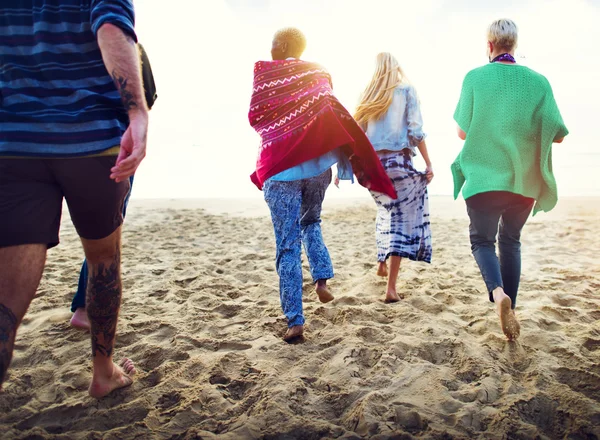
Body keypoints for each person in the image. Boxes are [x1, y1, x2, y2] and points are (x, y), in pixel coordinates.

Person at [0, 0, 148, 398]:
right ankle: (103, 373)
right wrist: (137, 112)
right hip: (91, 138)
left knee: (5, 301)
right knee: (102, 259)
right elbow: (111, 28)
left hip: (14, 140)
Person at [249, 28, 396, 342]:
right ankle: (322, 280)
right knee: (311, 223)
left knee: (287, 246)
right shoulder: (318, 73)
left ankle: (295, 320)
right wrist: (342, 161)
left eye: (275, 41)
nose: (271, 46)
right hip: (317, 170)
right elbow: (333, 115)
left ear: (287, 45)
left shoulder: (265, 74)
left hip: (280, 172)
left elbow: (257, 116)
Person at [452, 19, 568, 341]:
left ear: (489, 46)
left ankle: (498, 294)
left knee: (482, 241)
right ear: (514, 45)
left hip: (484, 178)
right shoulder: (539, 82)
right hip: (523, 182)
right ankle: (511, 308)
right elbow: (556, 135)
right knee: (511, 241)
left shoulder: (474, 77)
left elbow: (463, 131)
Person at [70, 43, 158, 330]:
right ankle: (84, 309)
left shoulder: (70, 43)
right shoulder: (131, 48)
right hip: (112, 145)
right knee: (106, 236)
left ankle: (82, 307)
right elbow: (149, 95)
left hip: (66, 143)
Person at [354, 53, 434, 303]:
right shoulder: (406, 91)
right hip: (398, 163)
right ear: (396, 68)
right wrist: (429, 163)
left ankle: (381, 261)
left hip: (372, 167)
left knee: (385, 211)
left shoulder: (367, 96)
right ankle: (390, 289)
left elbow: (356, 134)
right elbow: (416, 131)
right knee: (400, 221)